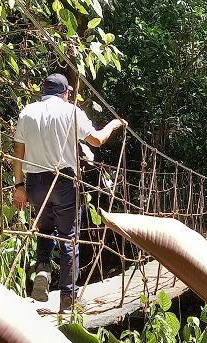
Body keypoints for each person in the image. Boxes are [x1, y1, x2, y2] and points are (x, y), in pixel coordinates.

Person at [12, 73, 126, 311]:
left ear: (44, 91)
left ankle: (42, 270)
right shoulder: (71, 111)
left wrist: (19, 187)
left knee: (45, 230)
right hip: (63, 180)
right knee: (69, 237)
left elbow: (18, 153)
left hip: (35, 184)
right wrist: (114, 125)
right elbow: (96, 140)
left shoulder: (27, 113)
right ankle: (68, 297)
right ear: (65, 94)